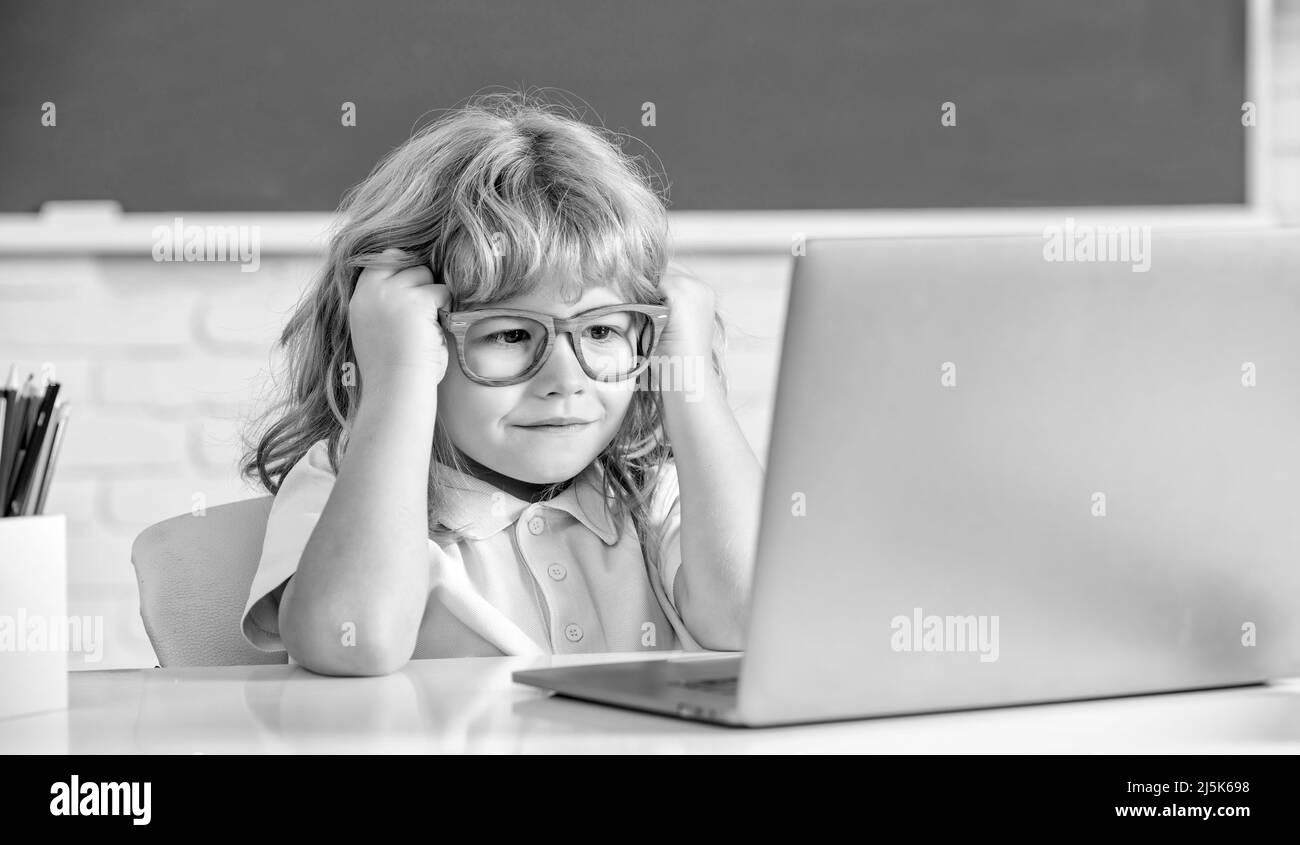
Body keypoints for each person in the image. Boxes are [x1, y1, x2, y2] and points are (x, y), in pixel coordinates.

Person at [238, 90, 762, 675]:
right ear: (410, 337)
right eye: (511, 335)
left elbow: (753, 621)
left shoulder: (647, 490)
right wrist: (397, 384)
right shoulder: (344, 482)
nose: (566, 380)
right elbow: (349, 642)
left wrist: (691, 383)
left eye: (604, 331)